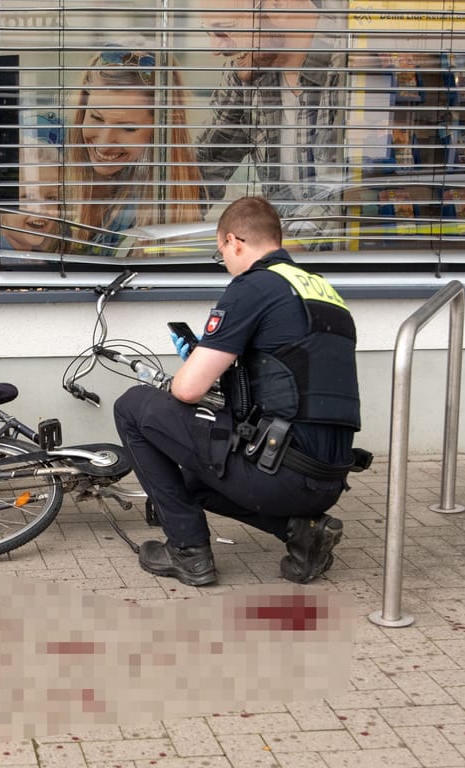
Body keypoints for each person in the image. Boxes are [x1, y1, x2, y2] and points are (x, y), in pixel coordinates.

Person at [113, 196, 364, 586]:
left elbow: (187, 390)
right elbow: (288, 380)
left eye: (221, 254)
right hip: (327, 477)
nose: (226, 265)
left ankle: (187, 551)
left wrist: (192, 367)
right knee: (192, 481)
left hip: (279, 471)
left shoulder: (253, 286)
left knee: (132, 407)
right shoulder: (321, 290)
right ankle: (301, 531)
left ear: (235, 241)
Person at [196, 0, 346, 249]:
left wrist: (285, 249)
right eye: (207, 32)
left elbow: (349, 191)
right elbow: (205, 166)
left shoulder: (350, 63)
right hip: (277, 254)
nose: (214, 48)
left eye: (224, 29)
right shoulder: (251, 69)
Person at [62, 41, 205, 257]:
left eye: (128, 128)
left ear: (160, 133)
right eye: (96, 118)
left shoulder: (148, 215)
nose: (103, 142)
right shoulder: (63, 183)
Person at [0, 142, 64, 253]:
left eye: (52, 198)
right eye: (28, 197)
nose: (41, 210)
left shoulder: (39, 260)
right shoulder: (2, 264)